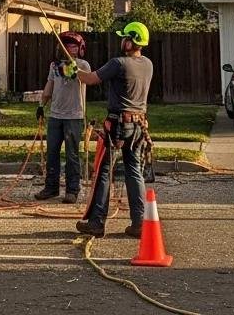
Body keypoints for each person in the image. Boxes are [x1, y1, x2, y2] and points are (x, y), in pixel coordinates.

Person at [72, 21, 152, 239]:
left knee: (104, 171)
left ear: (131, 41)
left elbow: (90, 79)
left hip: (118, 125)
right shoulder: (148, 64)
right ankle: (139, 223)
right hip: (138, 126)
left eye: (124, 37)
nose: (121, 41)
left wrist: (73, 70)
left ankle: (97, 222)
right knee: (134, 171)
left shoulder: (118, 63)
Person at [34, 31, 90, 204]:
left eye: (73, 45)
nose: (68, 48)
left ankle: (72, 190)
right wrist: (41, 105)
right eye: (65, 45)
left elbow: (87, 79)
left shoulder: (83, 65)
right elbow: (49, 85)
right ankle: (51, 187)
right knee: (52, 153)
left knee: (72, 154)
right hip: (55, 115)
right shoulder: (54, 66)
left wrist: (75, 70)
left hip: (74, 116)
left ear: (80, 48)